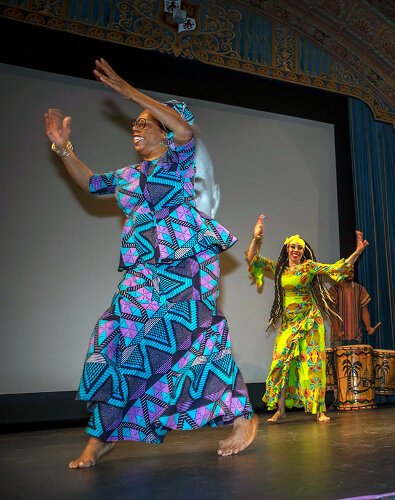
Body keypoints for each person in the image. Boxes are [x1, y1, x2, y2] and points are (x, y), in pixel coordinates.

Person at [44, 59, 257, 468]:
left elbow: (185, 130)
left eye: (146, 123)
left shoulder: (178, 161)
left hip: (186, 269)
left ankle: (242, 417)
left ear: (163, 130)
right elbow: (89, 183)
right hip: (143, 272)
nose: (136, 128)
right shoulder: (128, 175)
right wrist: (63, 147)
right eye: (135, 124)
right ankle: (102, 436)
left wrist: (130, 92)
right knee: (118, 343)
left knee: (198, 340)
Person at [246, 215, 368, 423]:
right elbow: (252, 259)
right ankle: (281, 409)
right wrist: (257, 239)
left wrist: (357, 251)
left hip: (311, 321)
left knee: (313, 365)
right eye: (293, 247)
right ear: (287, 248)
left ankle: (320, 410)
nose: (296, 250)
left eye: (300, 248)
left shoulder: (309, 267)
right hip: (289, 324)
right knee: (280, 363)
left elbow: (336, 269)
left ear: (303, 251)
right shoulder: (279, 270)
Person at [329, 266, 376, 348]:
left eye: (352, 271)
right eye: (347, 271)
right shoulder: (334, 289)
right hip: (339, 339)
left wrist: (368, 327)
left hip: (356, 337)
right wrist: (337, 331)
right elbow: (331, 312)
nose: (350, 273)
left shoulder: (360, 289)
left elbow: (364, 310)